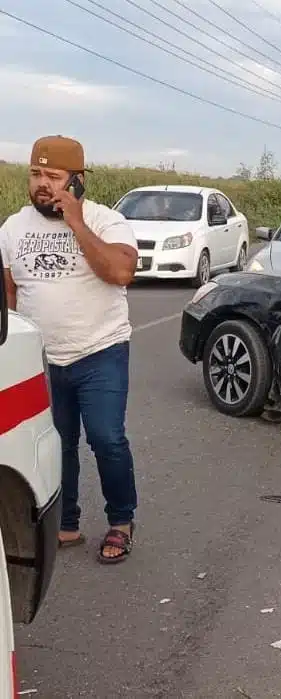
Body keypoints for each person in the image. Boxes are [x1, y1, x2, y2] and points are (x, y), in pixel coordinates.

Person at [0, 135, 139, 564]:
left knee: (106, 438)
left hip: (100, 351)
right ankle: (67, 523)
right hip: (42, 360)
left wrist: (76, 222)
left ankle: (121, 520)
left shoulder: (107, 221)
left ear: (77, 181)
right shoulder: (12, 228)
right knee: (56, 444)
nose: (43, 184)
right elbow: (11, 302)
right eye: (36, 174)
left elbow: (120, 272)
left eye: (54, 176)